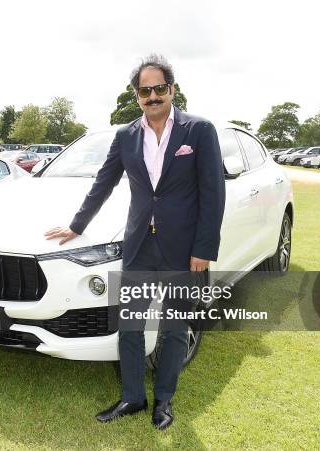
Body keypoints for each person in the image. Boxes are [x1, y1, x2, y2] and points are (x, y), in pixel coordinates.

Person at [45, 54, 225, 429]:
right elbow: (104, 182)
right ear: (137, 95)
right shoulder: (126, 135)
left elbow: (213, 194)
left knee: (174, 329)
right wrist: (77, 226)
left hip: (183, 250)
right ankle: (132, 398)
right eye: (145, 91)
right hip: (139, 246)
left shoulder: (199, 131)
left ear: (172, 90)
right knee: (129, 326)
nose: (153, 96)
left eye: (160, 89)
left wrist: (203, 250)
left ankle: (164, 401)